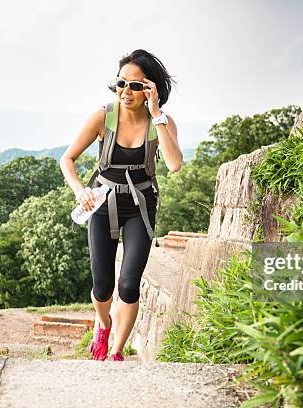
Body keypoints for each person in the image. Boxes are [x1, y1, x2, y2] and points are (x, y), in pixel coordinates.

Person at [59, 49, 182, 361]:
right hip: (102, 202)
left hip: (141, 205)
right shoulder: (104, 115)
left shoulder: (162, 123)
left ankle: (116, 352)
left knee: (128, 285)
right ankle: (103, 322)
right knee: (102, 286)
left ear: (150, 90)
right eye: (121, 83)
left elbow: (174, 164)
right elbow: (67, 159)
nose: (127, 91)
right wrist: (78, 191)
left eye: (136, 86)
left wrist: (157, 115)